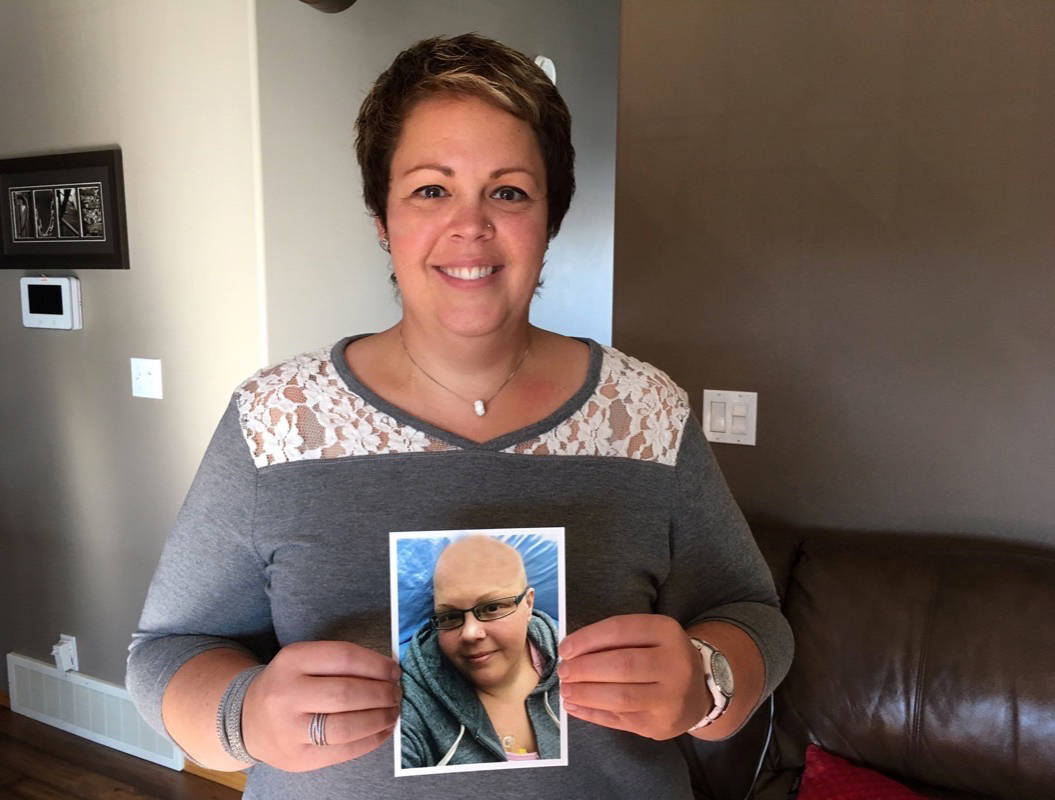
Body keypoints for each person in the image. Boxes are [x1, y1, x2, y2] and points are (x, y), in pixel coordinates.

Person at [127, 33, 793, 800]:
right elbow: (163, 656)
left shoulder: (645, 412)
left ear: (549, 221)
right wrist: (245, 716)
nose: (470, 225)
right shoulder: (276, 419)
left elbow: (754, 617)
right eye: (430, 190)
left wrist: (707, 680)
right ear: (383, 218)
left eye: (508, 191)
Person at [399, 535, 561, 767]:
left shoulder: (575, 661)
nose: (469, 633)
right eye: (450, 616)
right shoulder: (412, 698)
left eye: (492, 607)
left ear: (528, 604)